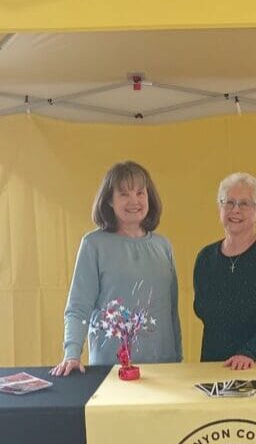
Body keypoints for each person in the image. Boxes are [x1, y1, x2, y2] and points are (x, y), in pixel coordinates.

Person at [51, 161, 181, 375]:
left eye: (140, 193)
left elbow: (171, 311)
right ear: (109, 201)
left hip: (164, 367)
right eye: (124, 194)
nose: (134, 201)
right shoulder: (93, 245)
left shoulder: (163, 246)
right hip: (111, 371)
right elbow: (78, 306)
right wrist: (72, 354)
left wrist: (178, 358)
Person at [193, 173, 256, 370]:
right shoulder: (205, 258)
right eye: (229, 202)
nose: (235, 210)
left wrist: (249, 352)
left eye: (245, 203)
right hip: (216, 364)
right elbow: (204, 312)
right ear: (220, 208)